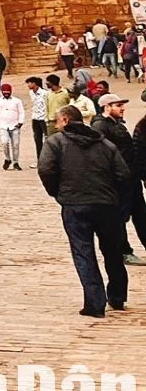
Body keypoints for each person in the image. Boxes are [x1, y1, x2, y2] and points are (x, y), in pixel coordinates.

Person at [40, 105, 132, 316]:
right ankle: (117, 296)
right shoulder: (105, 145)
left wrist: (58, 193)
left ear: (65, 120)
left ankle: (95, 303)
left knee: (83, 253)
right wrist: (116, 200)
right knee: (112, 250)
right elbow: (123, 175)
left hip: (74, 206)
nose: (56, 125)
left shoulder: (56, 143)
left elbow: (46, 169)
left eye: (57, 120)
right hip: (106, 205)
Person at [88, 96, 146, 261]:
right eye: (118, 105)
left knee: (141, 215)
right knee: (120, 217)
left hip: (131, 178)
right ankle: (124, 252)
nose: (122, 108)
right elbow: (101, 155)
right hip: (118, 181)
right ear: (107, 107)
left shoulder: (116, 124)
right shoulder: (100, 126)